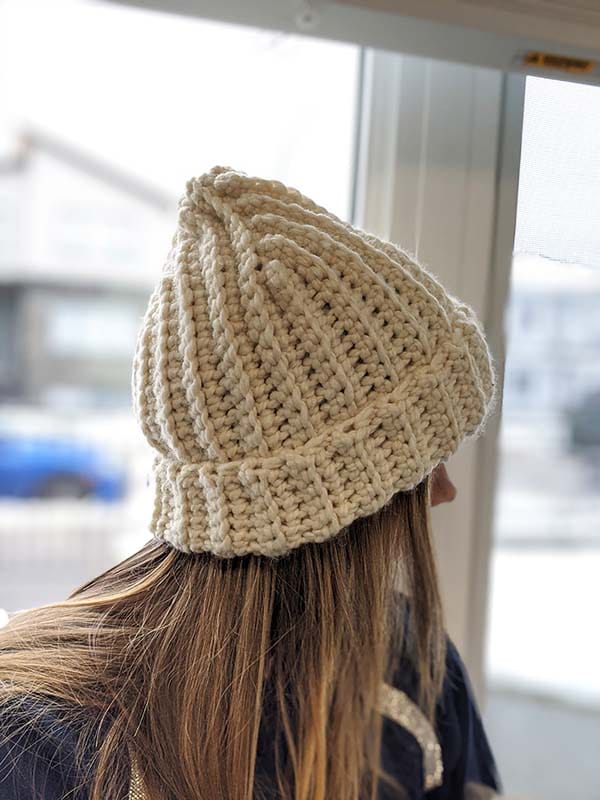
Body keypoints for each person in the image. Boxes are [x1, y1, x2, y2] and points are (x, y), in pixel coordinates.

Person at [0, 167, 501, 800]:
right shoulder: (36, 745)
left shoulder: (414, 665)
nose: (445, 490)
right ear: (339, 501)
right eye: (421, 466)